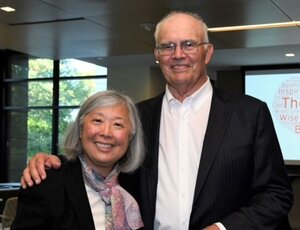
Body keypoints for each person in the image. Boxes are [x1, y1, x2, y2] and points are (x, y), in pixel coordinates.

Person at [21, 11, 293, 230]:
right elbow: (101, 162)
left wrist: (222, 228)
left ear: (208, 52)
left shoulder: (249, 113)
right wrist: (49, 162)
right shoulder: (137, 117)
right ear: (157, 55)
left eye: (189, 44)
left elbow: (277, 194)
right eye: (167, 46)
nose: (178, 54)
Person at [12, 90, 145, 230]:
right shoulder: (46, 183)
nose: (106, 133)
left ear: (130, 137)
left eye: (117, 124)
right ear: (81, 129)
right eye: (97, 121)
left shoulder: (138, 184)